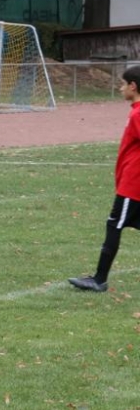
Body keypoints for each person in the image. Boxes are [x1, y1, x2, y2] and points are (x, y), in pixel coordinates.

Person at [69, 66, 140, 292]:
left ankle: (99, 279)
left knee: (114, 224)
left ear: (133, 86)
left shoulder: (138, 113)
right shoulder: (135, 111)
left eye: (123, 84)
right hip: (131, 182)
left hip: (134, 185)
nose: (120, 88)